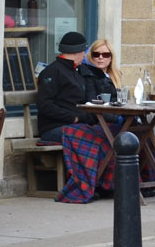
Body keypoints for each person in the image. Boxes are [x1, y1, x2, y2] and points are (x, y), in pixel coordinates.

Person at [36, 30, 114, 203]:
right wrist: (74, 118)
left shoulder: (80, 71)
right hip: (53, 128)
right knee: (91, 137)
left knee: (107, 134)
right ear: (79, 52)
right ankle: (84, 187)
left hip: (79, 125)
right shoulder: (51, 72)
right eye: (84, 52)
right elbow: (45, 105)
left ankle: (104, 184)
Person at [81, 38, 120, 103]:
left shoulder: (116, 74)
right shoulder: (88, 75)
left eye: (105, 55)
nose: (100, 57)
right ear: (91, 57)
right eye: (96, 54)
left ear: (111, 58)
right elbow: (91, 102)